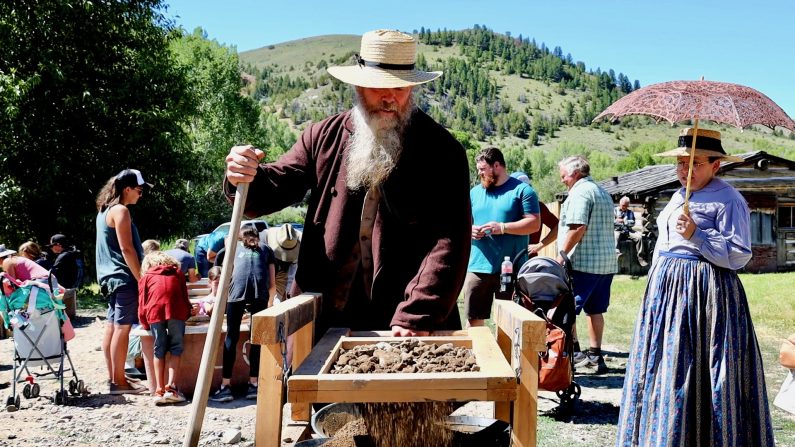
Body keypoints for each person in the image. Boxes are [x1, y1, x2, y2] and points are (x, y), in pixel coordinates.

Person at [223, 29, 470, 338]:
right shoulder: (322, 136)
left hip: (404, 319)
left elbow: (451, 241)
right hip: (325, 317)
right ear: (357, 84)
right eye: (379, 87)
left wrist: (416, 316)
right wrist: (244, 174)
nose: (390, 97)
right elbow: (269, 191)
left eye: (400, 87)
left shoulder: (442, 151)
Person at [616, 128, 774, 446]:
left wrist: (698, 235)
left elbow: (739, 254)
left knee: (706, 370)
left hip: (707, 296)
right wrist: (654, 284)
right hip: (665, 295)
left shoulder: (729, 199)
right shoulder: (677, 195)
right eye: (681, 163)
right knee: (663, 367)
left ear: (716, 166)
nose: (685, 170)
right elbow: (663, 243)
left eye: (696, 163)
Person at [465, 148, 540, 327]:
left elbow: (534, 224)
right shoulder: (475, 192)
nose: (479, 173)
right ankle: (478, 355)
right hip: (477, 267)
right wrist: (471, 230)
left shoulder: (523, 191)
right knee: (473, 320)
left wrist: (503, 228)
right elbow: (463, 222)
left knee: (511, 323)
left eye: (483, 169)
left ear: (496, 166)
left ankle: (507, 356)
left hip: (511, 269)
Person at [557, 155, 617, 374]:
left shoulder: (580, 192)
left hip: (582, 263)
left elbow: (578, 227)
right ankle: (595, 355)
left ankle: (574, 355)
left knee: (567, 310)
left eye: (563, 175)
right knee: (595, 310)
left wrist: (562, 254)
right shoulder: (602, 192)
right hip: (605, 263)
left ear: (574, 173)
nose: (562, 179)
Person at [95, 168, 152, 394]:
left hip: (109, 278)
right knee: (122, 329)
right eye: (139, 190)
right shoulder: (121, 211)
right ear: (127, 189)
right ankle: (119, 382)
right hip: (123, 277)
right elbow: (126, 248)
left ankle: (115, 378)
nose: (141, 194)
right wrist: (141, 278)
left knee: (111, 327)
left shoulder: (104, 210)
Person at [210, 227, 276, 402]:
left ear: (239, 237)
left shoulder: (230, 249)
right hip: (260, 294)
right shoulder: (267, 249)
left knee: (231, 335)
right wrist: (269, 305)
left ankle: (225, 386)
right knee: (257, 337)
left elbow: (221, 278)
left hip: (236, 294)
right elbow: (273, 285)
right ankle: (253, 384)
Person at [137, 251, 191, 405]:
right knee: (176, 348)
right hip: (176, 312)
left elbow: (142, 304)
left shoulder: (146, 277)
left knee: (158, 349)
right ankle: (172, 389)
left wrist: (145, 324)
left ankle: (159, 390)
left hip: (154, 312)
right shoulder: (178, 273)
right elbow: (184, 298)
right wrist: (187, 313)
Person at [510, 172, 559, 258]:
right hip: (505, 261)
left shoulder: (538, 207)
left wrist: (539, 245)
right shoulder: (505, 207)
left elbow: (558, 227)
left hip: (528, 260)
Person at [46, 234, 85, 319]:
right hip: (72, 287)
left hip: (63, 289)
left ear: (59, 245)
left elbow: (52, 273)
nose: (51, 248)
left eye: (52, 246)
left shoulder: (63, 256)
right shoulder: (73, 253)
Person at [263, 223, 301, 303]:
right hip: (264, 270)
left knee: (276, 302)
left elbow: (291, 276)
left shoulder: (296, 250)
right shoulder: (263, 238)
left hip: (282, 274)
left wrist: (288, 295)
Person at [613, 196, 648, 267]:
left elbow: (632, 223)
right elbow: (611, 222)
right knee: (616, 236)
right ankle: (617, 254)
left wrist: (623, 221)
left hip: (627, 230)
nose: (624, 207)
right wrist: (618, 221)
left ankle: (640, 257)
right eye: (623, 205)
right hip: (617, 230)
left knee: (639, 237)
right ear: (620, 203)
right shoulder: (614, 210)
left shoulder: (630, 212)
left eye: (626, 206)